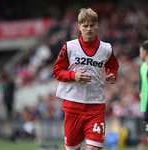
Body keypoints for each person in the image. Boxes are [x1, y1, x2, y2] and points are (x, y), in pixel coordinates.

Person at [53, 8, 119, 150]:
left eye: (92, 25)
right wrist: (74, 76)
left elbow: (113, 66)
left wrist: (112, 75)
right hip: (73, 107)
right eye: (85, 26)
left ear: (97, 25)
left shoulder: (106, 48)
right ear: (79, 26)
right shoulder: (69, 47)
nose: (89, 29)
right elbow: (57, 72)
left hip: (96, 107)